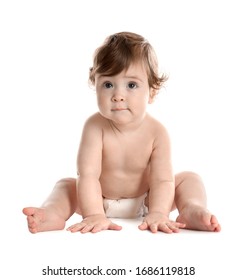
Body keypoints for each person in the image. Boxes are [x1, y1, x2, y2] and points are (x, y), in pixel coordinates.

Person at [23, 32, 221, 234]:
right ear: (96, 85)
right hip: (98, 200)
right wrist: (93, 213)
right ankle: (52, 213)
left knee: (189, 179)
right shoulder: (94, 127)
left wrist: (159, 212)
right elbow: (88, 175)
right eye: (108, 85)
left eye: (131, 85)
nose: (118, 96)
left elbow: (162, 180)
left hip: (148, 201)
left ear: (152, 92)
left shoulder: (157, 132)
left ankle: (191, 209)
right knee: (65, 186)